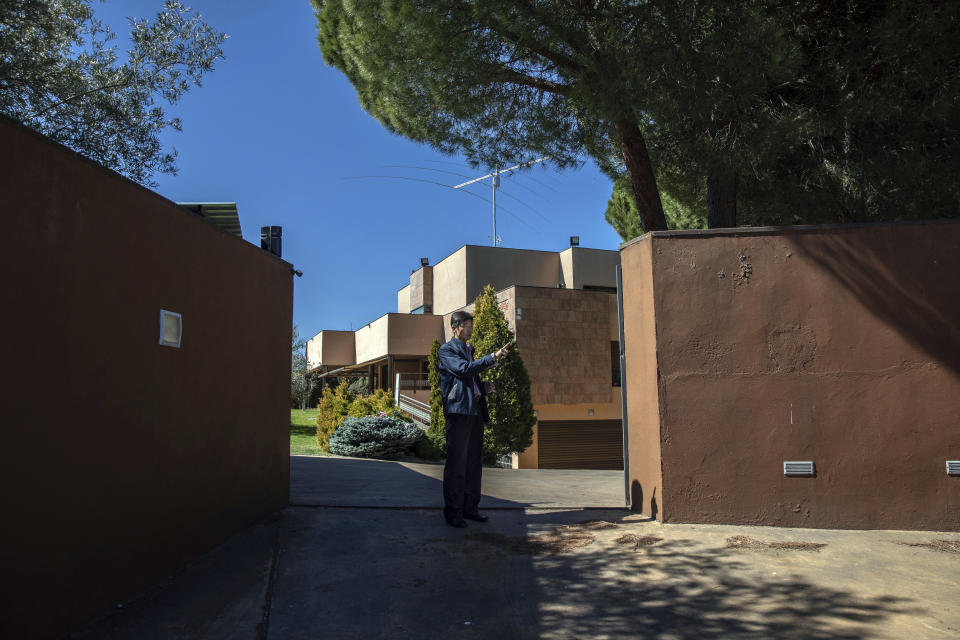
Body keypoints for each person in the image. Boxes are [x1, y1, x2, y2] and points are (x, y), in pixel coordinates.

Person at [437, 310, 510, 528]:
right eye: (466, 325)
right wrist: (492, 357)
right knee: (457, 465)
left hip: (475, 410)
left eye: (471, 324)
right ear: (454, 327)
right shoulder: (447, 350)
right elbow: (463, 370)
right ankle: (453, 513)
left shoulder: (469, 350)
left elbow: (471, 379)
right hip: (459, 412)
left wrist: (483, 387)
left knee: (473, 465)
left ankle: (470, 509)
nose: (470, 328)